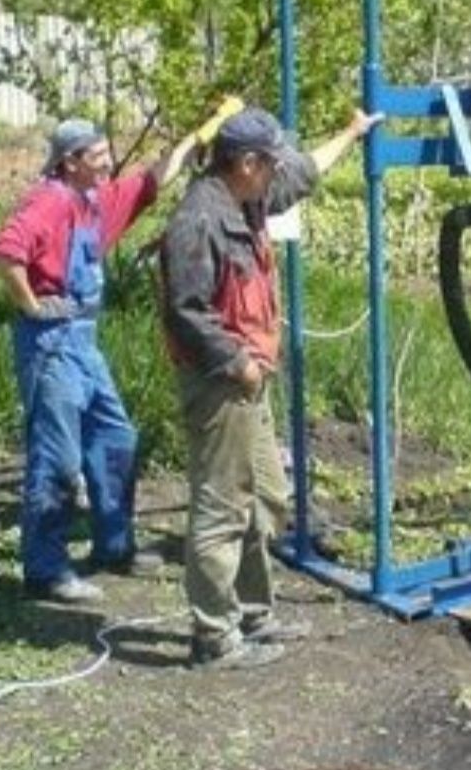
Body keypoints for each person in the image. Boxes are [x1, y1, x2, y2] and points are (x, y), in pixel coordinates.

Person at [160, 105, 382, 670]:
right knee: (222, 505)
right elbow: (186, 310)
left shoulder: (247, 197)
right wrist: (238, 362)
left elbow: (304, 172)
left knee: (264, 497)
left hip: (248, 380)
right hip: (221, 383)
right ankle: (212, 637)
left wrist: (353, 133)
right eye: (270, 162)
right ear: (247, 162)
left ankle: (254, 613)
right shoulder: (200, 220)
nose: (276, 172)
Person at [0, 115, 207, 603]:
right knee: (58, 456)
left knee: (115, 436)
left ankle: (114, 545)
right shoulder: (49, 200)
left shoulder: (92, 201)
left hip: (84, 341)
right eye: (98, 155)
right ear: (70, 161)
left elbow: (149, 180)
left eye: (107, 153)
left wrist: (197, 137)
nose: (108, 162)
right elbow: (6, 252)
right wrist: (32, 305)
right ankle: (46, 569)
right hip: (52, 345)